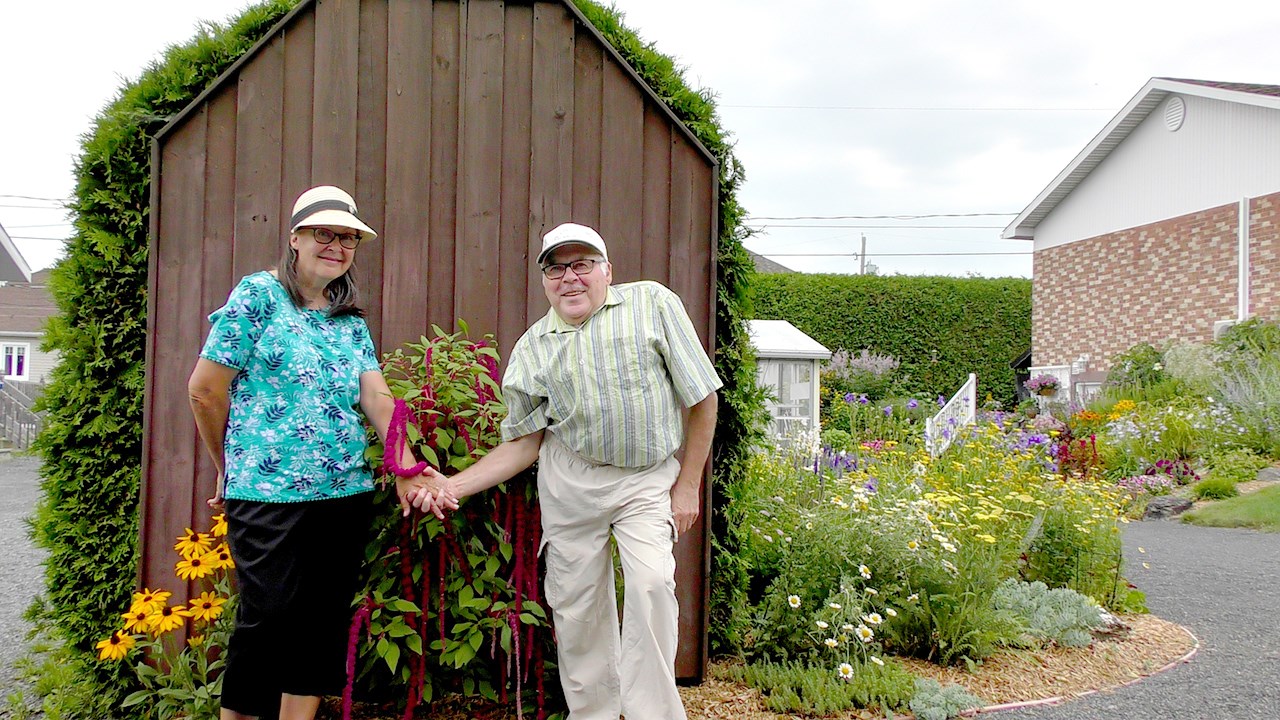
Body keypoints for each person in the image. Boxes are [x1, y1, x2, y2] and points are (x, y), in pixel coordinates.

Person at [409, 222, 721, 720]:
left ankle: (652, 714)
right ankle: (593, 713)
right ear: (544, 279)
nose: (570, 278)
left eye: (582, 265)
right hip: (571, 480)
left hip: (643, 477)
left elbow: (703, 400)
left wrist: (687, 486)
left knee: (652, 586)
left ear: (606, 271)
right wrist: (453, 485)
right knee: (575, 606)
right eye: (556, 268)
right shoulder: (534, 346)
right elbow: (524, 444)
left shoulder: (653, 305)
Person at [188, 185, 449, 720]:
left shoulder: (348, 321)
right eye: (323, 233)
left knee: (320, 620)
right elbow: (204, 388)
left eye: (347, 236)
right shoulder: (258, 295)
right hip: (266, 495)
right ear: (295, 238)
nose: (335, 244)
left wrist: (406, 464)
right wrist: (226, 466)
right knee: (268, 617)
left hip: (342, 495)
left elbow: (377, 397)